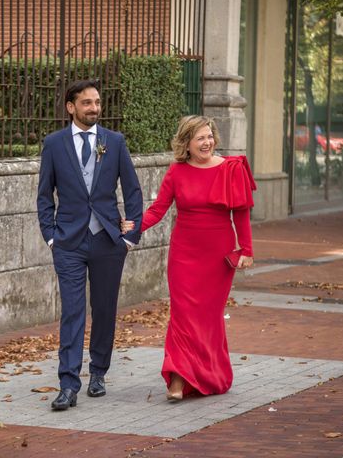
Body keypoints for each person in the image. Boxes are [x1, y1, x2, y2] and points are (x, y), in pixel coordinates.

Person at [122, 115, 255, 400]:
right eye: (200, 139)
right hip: (184, 254)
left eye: (209, 136)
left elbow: (241, 213)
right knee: (183, 316)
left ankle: (210, 375)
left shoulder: (231, 168)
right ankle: (178, 380)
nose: (207, 143)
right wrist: (134, 225)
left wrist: (247, 250)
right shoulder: (177, 172)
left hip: (218, 256)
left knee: (207, 318)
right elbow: (158, 210)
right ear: (187, 143)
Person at [37, 79, 143, 411]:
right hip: (68, 242)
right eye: (87, 103)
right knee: (72, 312)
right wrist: (51, 236)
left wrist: (129, 237)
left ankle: (98, 372)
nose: (94, 108)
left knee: (104, 309)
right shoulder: (54, 144)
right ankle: (68, 383)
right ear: (71, 107)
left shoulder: (114, 141)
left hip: (108, 241)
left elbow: (133, 190)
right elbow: (44, 196)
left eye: (97, 102)